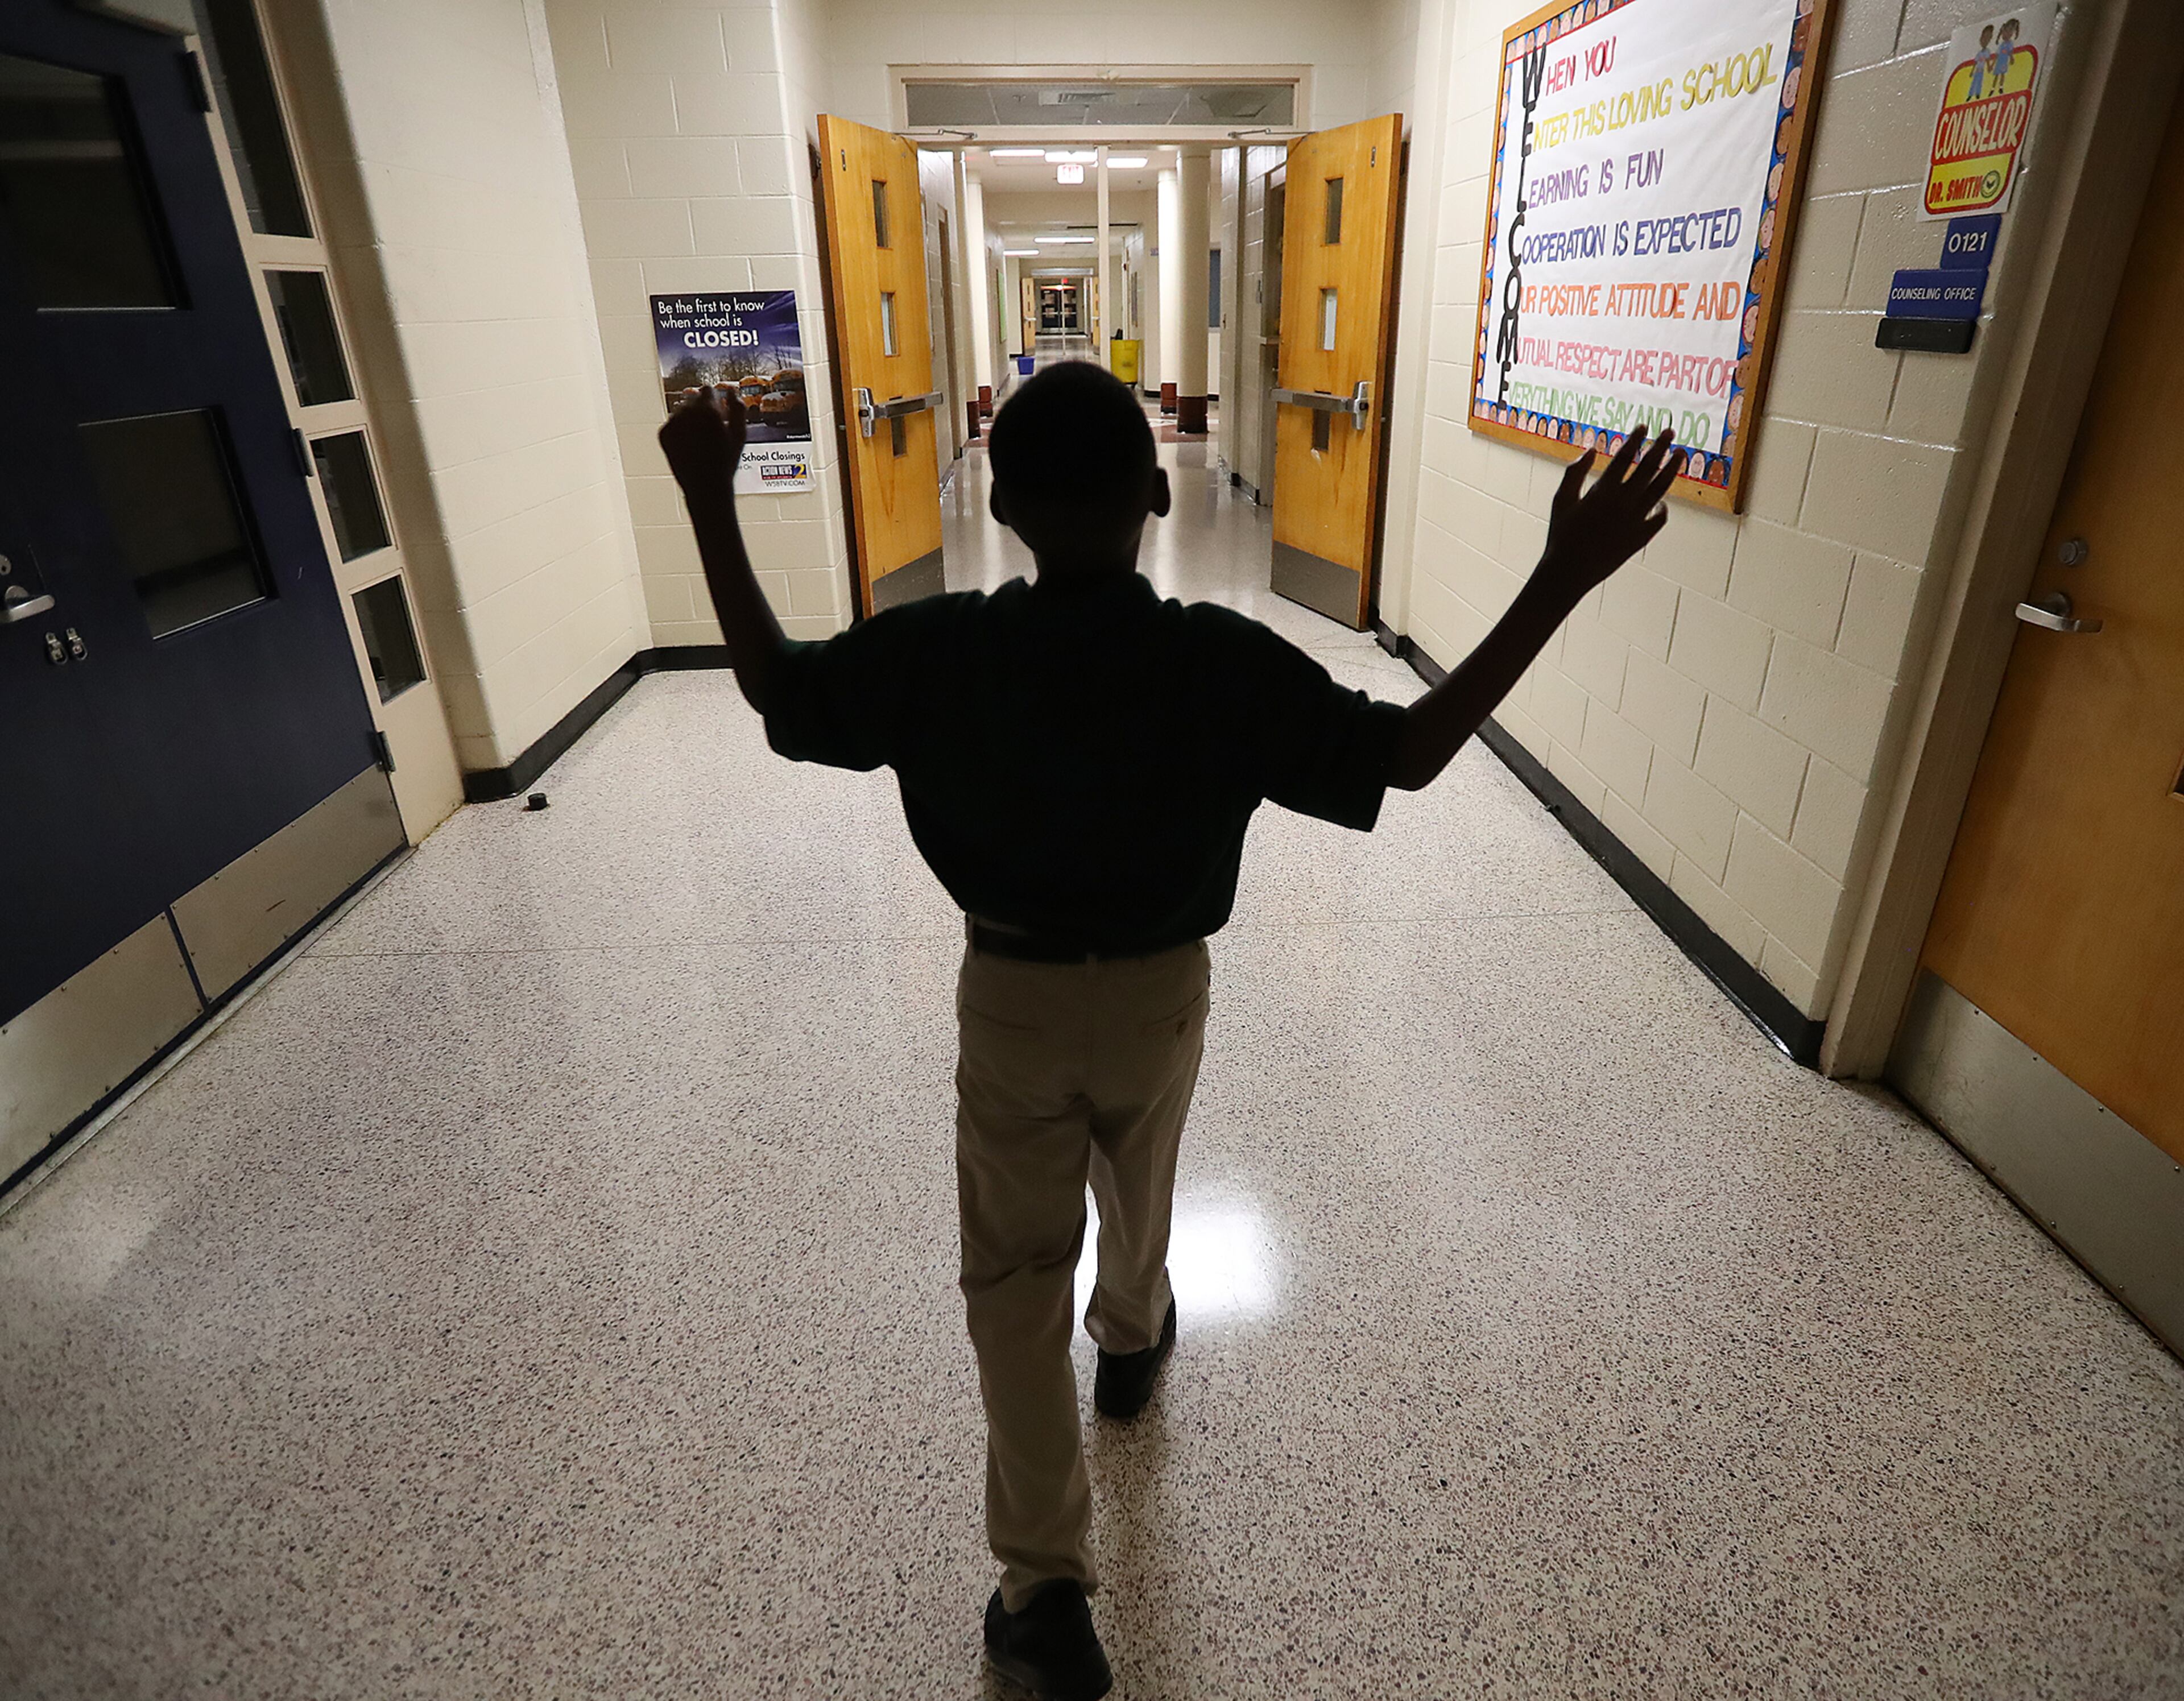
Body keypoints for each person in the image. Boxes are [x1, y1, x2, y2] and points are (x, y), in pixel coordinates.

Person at [657, 363, 1683, 1700]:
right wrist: (1562, 576)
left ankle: (1045, 1594)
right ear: (1155, 491)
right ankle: (1134, 1333)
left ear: (1001, 501)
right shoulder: (1218, 661)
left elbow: (778, 691)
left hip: (1011, 994)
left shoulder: (941, 648)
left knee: (1013, 1286)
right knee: (1142, 1166)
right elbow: (1412, 747)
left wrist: (708, 502)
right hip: (1159, 992)